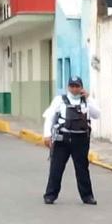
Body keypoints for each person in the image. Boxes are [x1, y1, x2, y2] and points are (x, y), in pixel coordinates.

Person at [42, 76, 100, 205]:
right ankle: (50, 195)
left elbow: (97, 114)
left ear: (81, 87)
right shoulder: (60, 100)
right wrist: (47, 135)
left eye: (77, 86)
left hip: (80, 140)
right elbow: (49, 117)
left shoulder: (86, 101)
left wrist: (89, 98)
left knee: (82, 169)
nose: (74, 89)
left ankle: (87, 196)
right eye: (72, 86)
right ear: (68, 87)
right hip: (63, 139)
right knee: (56, 168)